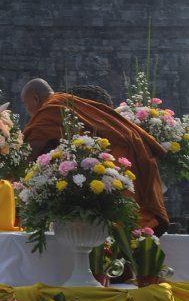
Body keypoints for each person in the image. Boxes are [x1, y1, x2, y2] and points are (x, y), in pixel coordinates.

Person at [21, 77, 169, 234]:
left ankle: (129, 242)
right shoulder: (63, 101)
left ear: (36, 98)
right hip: (128, 149)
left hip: (119, 155)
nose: (26, 110)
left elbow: (29, 151)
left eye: (26, 104)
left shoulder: (49, 110)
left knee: (127, 220)